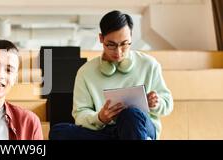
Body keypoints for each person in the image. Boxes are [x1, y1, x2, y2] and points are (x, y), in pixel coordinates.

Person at [49, 10, 173, 140]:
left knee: (130, 115)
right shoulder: (85, 72)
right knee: (58, 132)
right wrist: (100, 117)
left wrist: (156, 103)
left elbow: (167, 104)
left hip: (138, 126)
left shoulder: (149, 64)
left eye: (124, 44)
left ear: (131, 36)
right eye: (111, 45)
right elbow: (80, 114)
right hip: (104, 131)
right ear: (101, 38)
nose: (118, 52)